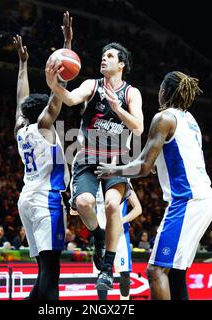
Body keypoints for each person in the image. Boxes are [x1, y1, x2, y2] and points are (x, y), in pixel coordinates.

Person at [95, 71, 212, 300]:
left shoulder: (163, 118)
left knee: (155, 270)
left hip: (188, 200)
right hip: (203, 199)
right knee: (175, 274)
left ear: (163, 92)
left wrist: (113, 170)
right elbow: (164, 159)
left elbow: (142, 166)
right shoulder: (189, 120)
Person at [46, 36, 144, 291]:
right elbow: (69, 99)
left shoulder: (131, 93)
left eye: (110, 56)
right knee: (83, 203)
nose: (104, 58)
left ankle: (107, 268)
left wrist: (117, 108)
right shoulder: (92, 85)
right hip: (87, 158)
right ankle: (100, 237)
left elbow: (139, 126)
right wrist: (53, 84)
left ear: (121, 64)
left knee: (112, 205)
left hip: (115, 161)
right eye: (103, 55)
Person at [14, 11, 72, 300]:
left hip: (27, 198)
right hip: (46, 199)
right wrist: (66, 49)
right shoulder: (43, 125)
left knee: (44, 269)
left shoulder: (20, 128)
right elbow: (57, 96)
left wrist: (23, 65)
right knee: (51, 271)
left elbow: (20, 100)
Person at [72, 183, 142, 300]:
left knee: (124, 273)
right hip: (101, 236)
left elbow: (138, 209)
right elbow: (80, 208)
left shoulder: (122, 182)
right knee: (102, 275)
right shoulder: (91, 183)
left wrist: (122, 221)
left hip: (120, 236)